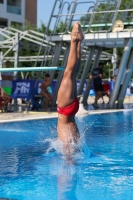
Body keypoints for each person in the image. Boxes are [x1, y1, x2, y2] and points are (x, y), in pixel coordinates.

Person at [57, 22, 84, 156]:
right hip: (65, 110)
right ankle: (75, 41)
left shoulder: (71, 141)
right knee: (70, 72)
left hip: (71, 111)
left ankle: (78, 41)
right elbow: (68, 152)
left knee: (73, 72)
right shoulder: (68, 143)